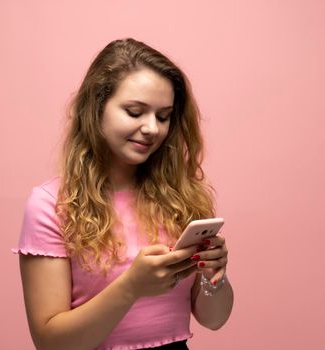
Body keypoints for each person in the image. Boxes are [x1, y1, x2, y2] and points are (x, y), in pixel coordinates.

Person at [12, 37, 234, 350]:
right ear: (96, 108)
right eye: (134, 112)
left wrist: (216, 275)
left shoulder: (183, 197)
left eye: (163, 116)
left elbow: (214, 320)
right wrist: (132, 287)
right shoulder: (51, 204)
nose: (152, 128)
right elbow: (51, 344)